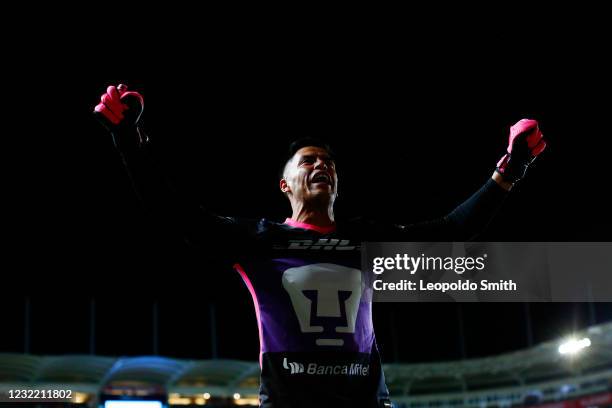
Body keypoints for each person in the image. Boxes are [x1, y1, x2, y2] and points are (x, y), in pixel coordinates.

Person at [94, 84, 546, 408]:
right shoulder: (261, 240)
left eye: (328, 162)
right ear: (284, 183)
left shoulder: (366, 240)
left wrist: (511, 169)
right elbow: (177, 214)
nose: (321, 166)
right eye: (307, 161)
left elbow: (449, 233)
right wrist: (130, 141)